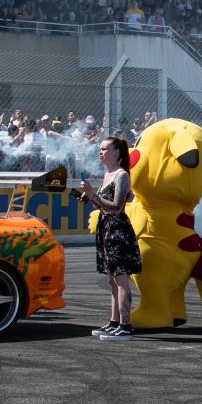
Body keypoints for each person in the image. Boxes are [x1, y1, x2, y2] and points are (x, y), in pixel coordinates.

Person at [77, 138, 141, 341]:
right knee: (112, 278)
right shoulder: (107, 175)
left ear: (117, 153)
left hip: (117, 230)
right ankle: (114, 321)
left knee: (120, 277)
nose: (100, 152)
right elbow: (102, 206)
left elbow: (116, 207)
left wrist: (92, 195)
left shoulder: (121, 176)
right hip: (106, 228)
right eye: (100, 149)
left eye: (105, 149)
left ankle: (125, 324)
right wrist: (90, 197)